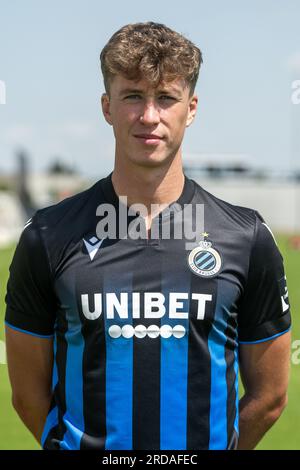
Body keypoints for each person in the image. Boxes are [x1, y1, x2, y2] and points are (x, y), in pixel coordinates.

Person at [5, 21, 291, 451]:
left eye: (166, 98)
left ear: (191, 108)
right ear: (107, 106)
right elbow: (27, 394)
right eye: (133, 96)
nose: (149, 116)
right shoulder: (47, 236)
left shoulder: (246, 236)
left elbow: (270, 397)